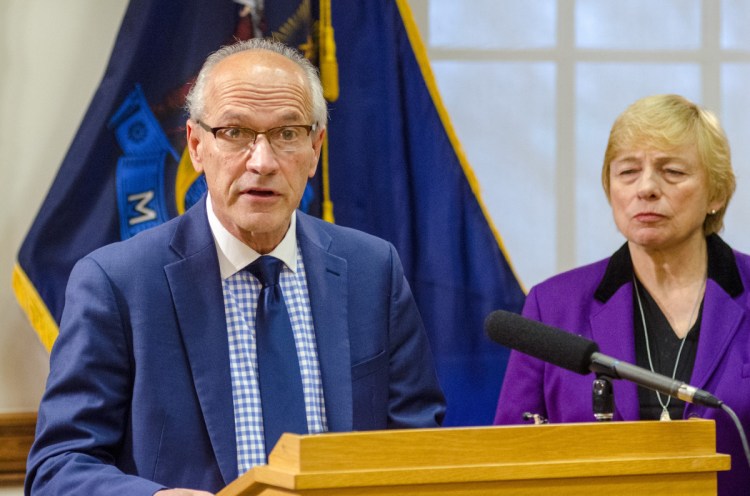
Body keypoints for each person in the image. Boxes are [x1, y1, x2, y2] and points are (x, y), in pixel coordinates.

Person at [26, 39, 445, 496]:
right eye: (235, 133)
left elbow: (417, 445)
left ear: (315, 149)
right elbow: (58, 468)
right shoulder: (117, 284)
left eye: (287, 134)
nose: (262, 162)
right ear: (196, 146)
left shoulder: (372, 271)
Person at [494, 94, 749, 494]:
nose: (646, 188)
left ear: (716, 194)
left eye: (673, 172)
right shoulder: (552, 307)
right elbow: (510, 461)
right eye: (628, 171)